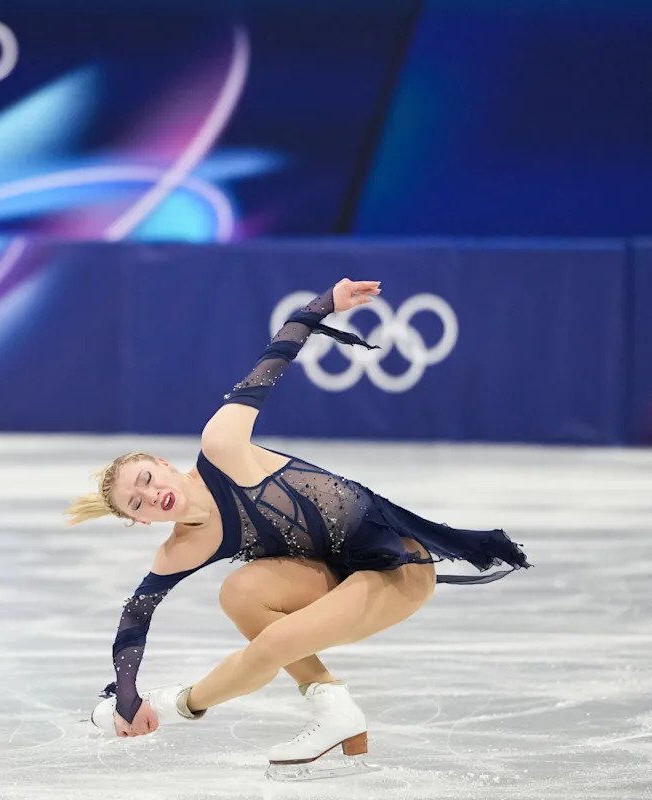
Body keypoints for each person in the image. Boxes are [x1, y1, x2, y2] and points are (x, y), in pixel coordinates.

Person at [66, 278, 529, 780]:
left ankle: (181, 704)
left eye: (147, 480)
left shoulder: (222, 446)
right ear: (141, 521)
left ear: (162, 463)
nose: (152, 496)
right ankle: (334, 709)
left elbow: (273, 358)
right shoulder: (182, 548)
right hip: (333, 574)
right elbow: (135, 615)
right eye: (139, 503)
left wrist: (326, 304)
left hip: (398, 568)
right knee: (241, 593)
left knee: (271, 645)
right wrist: (127, 693)